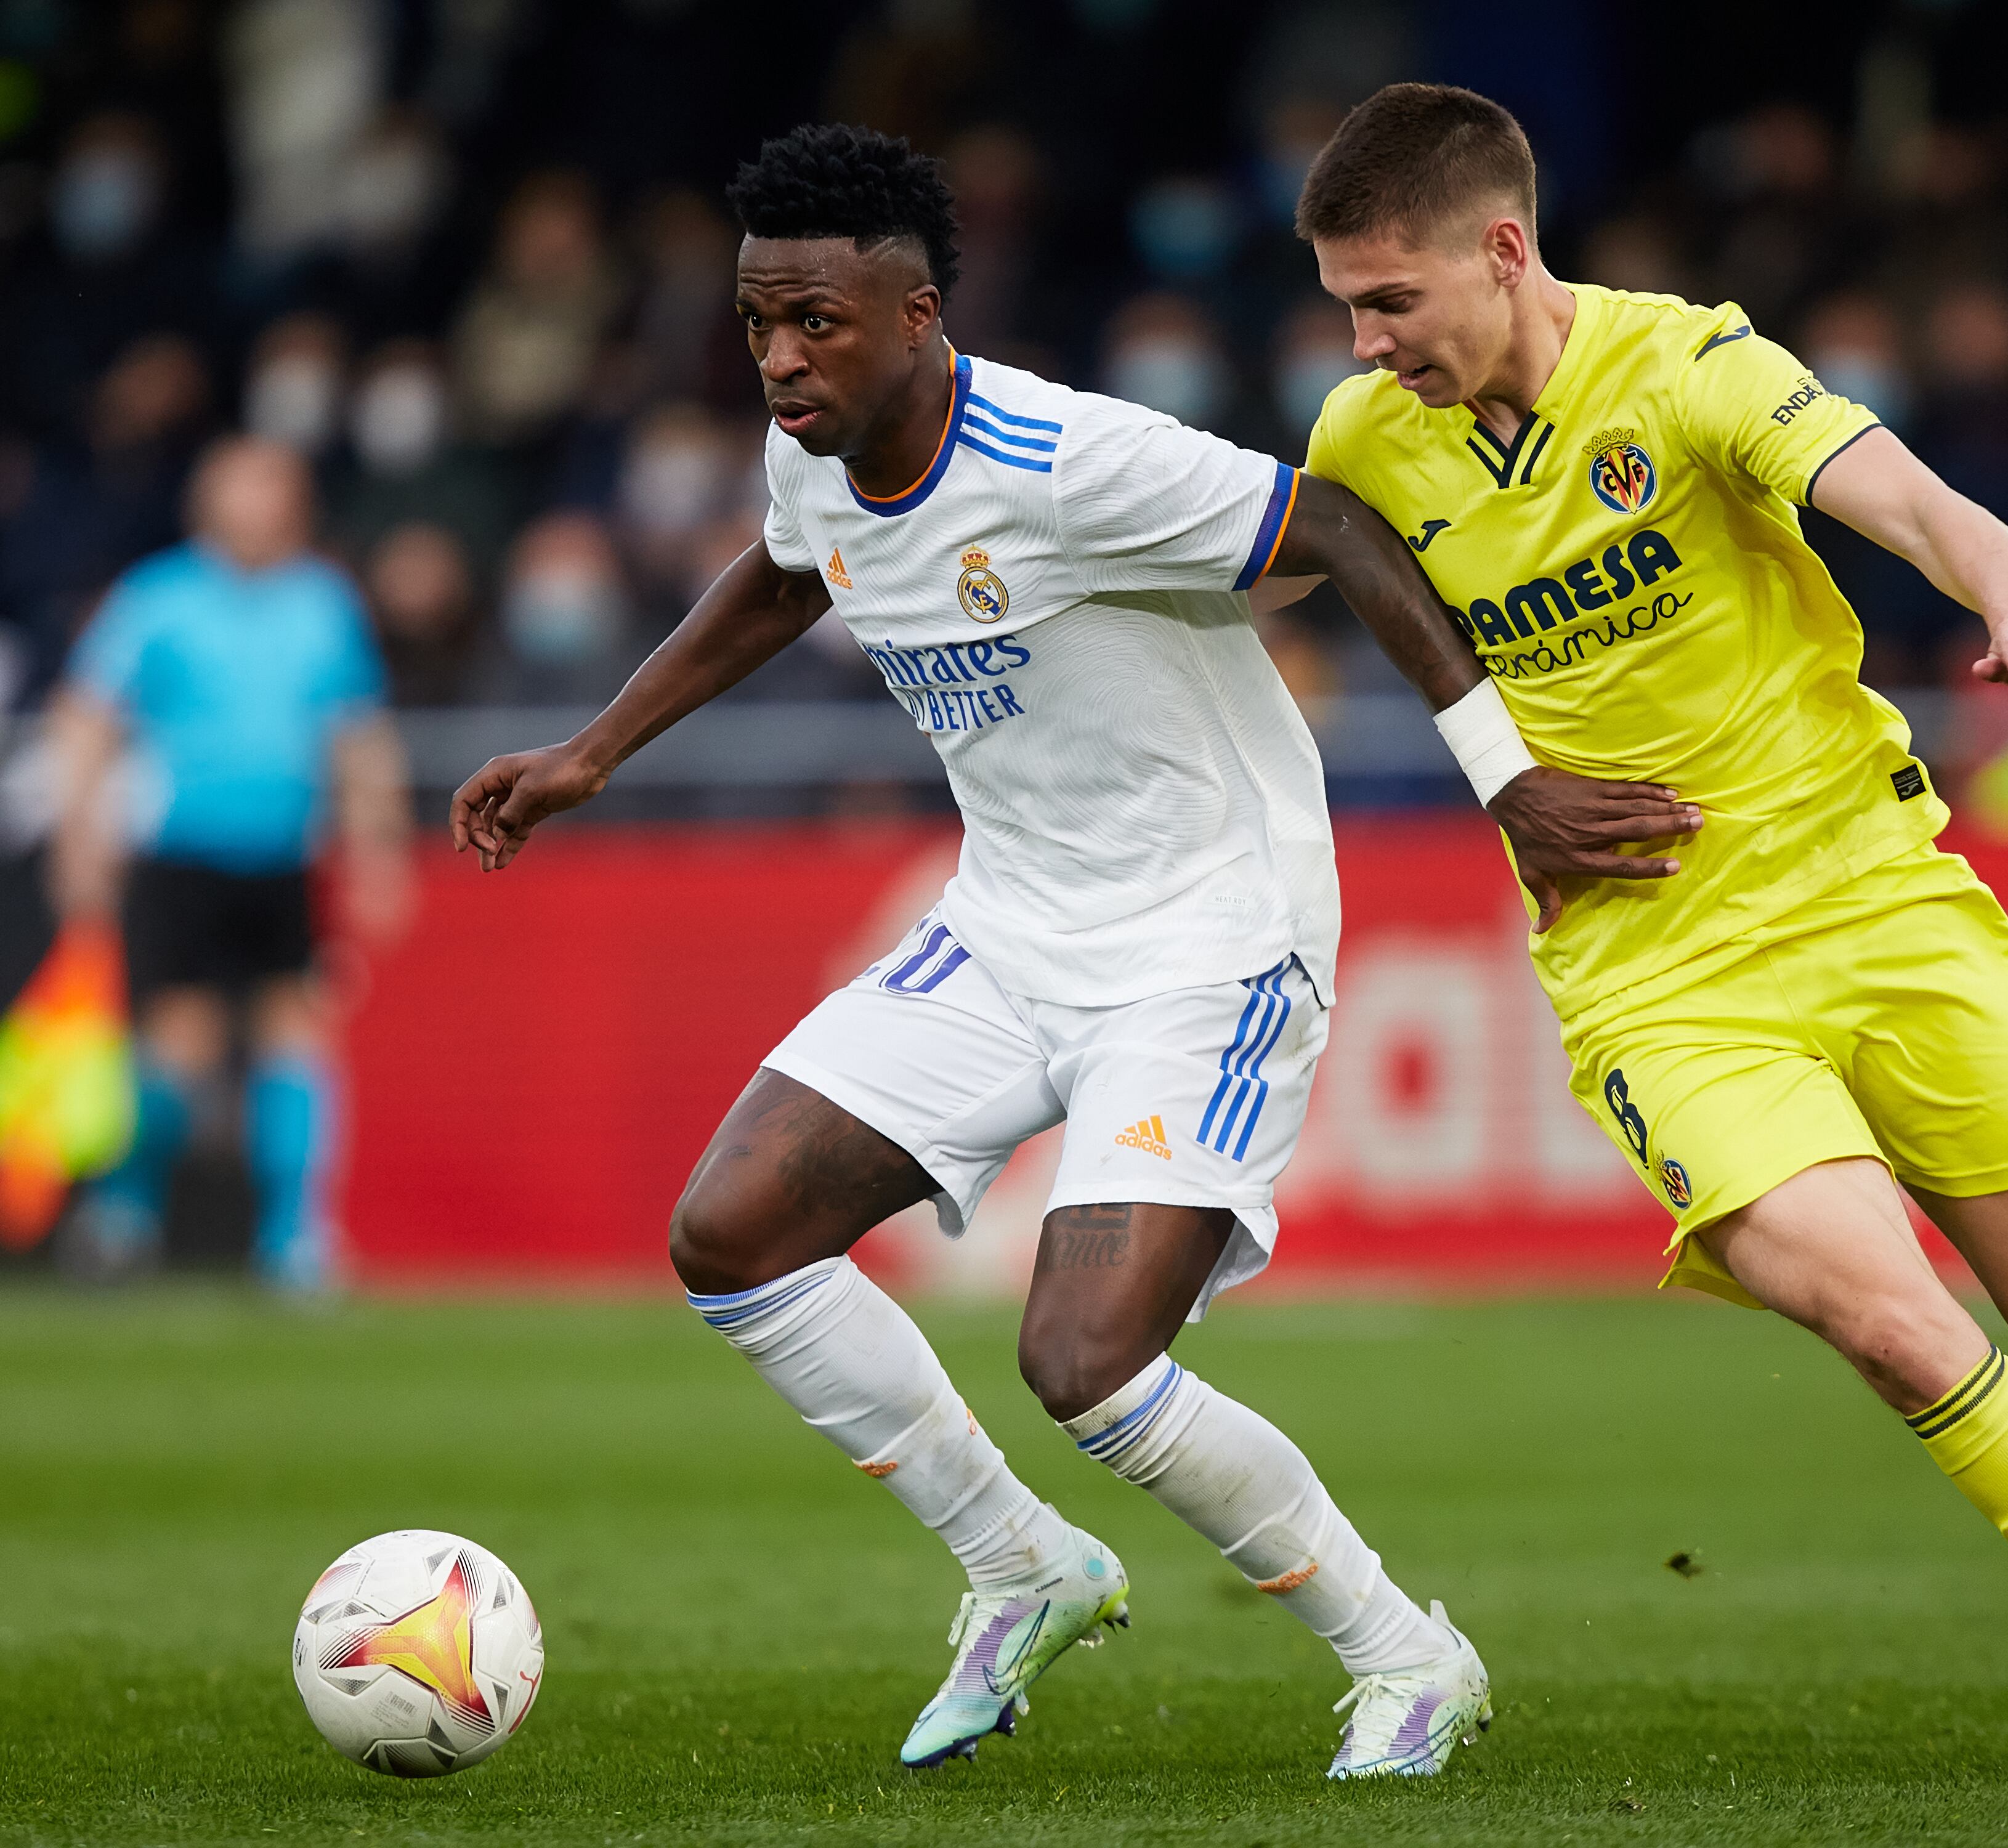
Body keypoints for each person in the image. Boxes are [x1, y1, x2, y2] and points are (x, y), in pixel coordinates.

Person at [447, 124, 1680, 1779]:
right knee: (732, 1234)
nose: (782, 360)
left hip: (1210, 940)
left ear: (918, 314)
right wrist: (598, 750)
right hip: (1013, 922)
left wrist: (1508, 780)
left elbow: (1346, 531)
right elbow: (789, 571)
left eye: (816, 323)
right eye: (758, 325)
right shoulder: (812, 449)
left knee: (1084, 1359)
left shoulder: (1066, 457)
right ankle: (1023, 1564)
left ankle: (1408, 1655)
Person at [1288, 83, 2008, 1790]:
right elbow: (1274, 564)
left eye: (1390, 302)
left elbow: (1918, 505)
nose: (1362, 344)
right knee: (1890, 1321)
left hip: (1874, 894)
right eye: (1346, 305)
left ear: (1502, 251)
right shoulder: (1370, 439)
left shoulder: (1692, 366)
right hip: (1654, 972)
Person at [48, 436, 413, 1289]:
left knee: (298, 1032)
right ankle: (125, 1210)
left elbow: (358, 737)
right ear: (207, 501)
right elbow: (87, 719)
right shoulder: (157, 599)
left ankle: (296, 1238)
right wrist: (81, 837)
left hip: (284, 857)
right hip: (184, 855)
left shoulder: (323, 603)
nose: (258, 506)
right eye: (241, 488)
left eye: (272, 488)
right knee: (179, 1047)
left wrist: (379, 848)